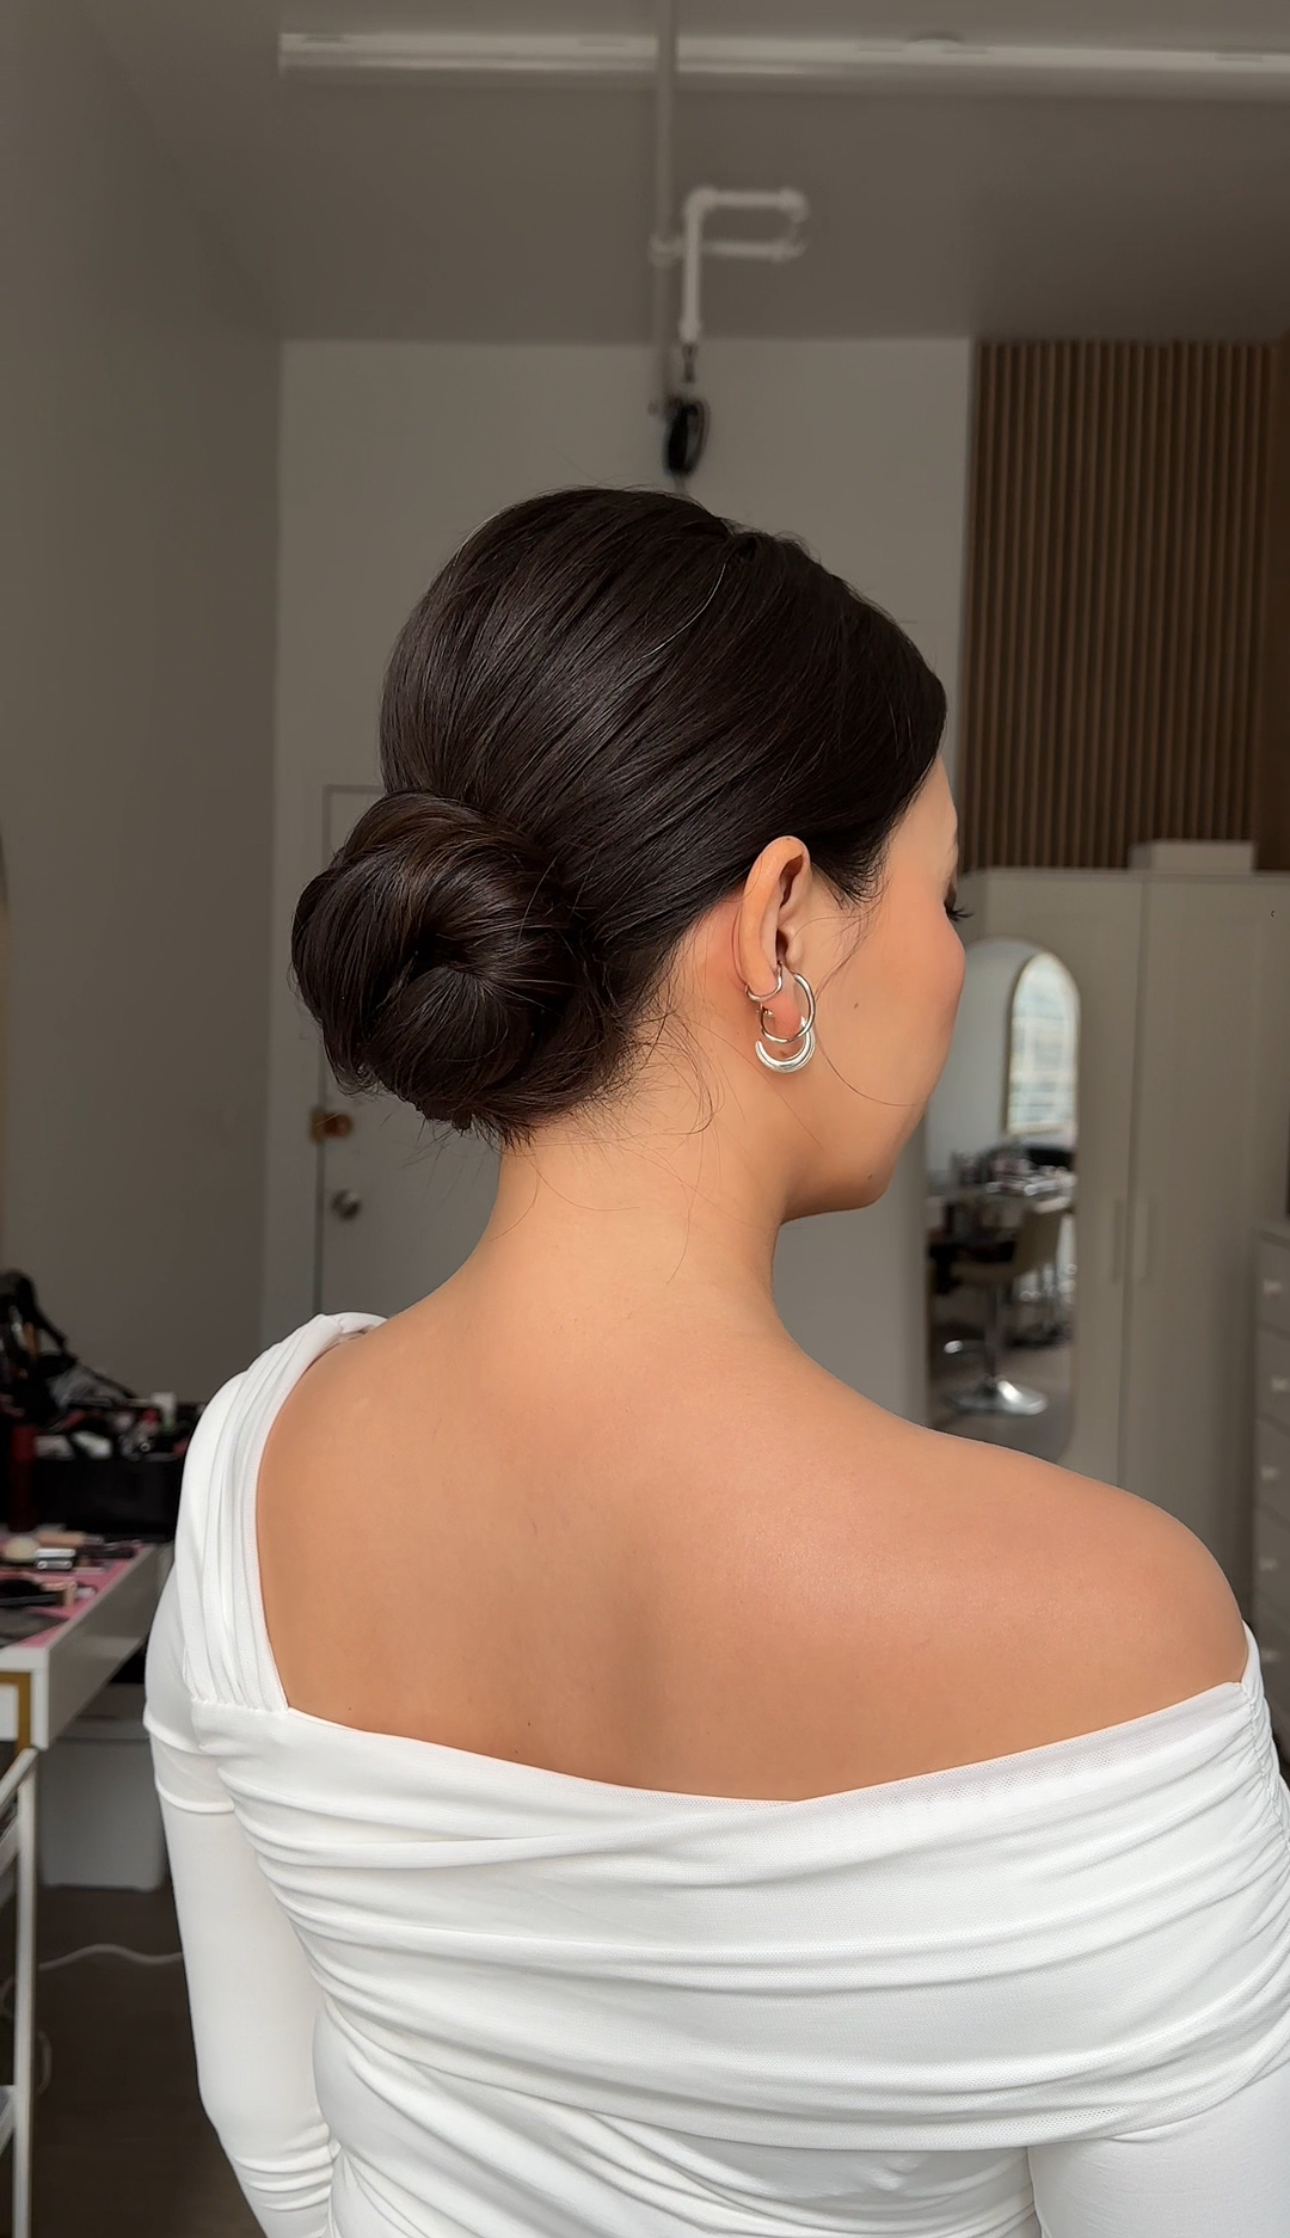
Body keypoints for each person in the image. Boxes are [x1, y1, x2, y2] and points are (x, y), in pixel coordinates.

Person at [145, 488, 1290, 2238]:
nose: (952, 956)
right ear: (779, 929)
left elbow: (276, 2132)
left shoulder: (243, 1475)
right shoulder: (1118, 1635)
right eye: (941, 887)